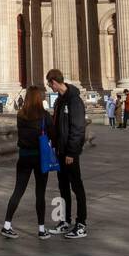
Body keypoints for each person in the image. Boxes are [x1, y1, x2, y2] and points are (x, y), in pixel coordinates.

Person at [1, 85, 54, 239]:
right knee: (40, 193)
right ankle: (41, 229)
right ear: (39, 98)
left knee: (18, 191)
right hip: (40, 158)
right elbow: (53, 134)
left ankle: (7, 225)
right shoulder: (44, 116)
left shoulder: (20, 115)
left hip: (24, 157)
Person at [47, 69, 88, 239]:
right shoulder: (60, 101)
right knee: (63, 187)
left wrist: (72, 151)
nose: (49, 87)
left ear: (54, 82)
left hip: (70, 153)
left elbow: (78, 128)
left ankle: (81, 224)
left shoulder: (74, 101)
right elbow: (58, 126)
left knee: (76, 188)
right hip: (60, 151)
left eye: (50, 83)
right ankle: (65, 221)